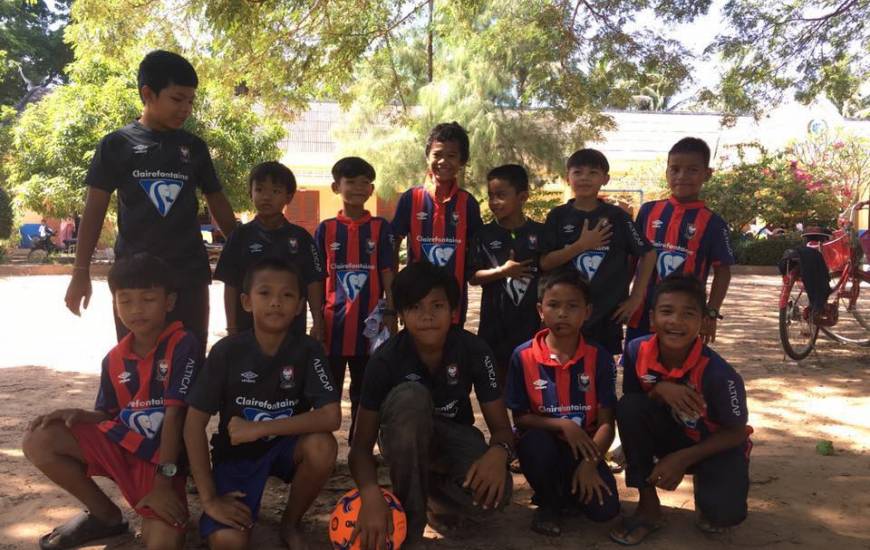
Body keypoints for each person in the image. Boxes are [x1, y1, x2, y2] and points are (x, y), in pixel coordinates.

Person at [23, 253, 202, 550]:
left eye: (148, 299)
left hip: (161, 464)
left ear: (169, 302)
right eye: (126, 300)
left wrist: (163, 484)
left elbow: (175, 418)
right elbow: (109, 415)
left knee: (162, 543)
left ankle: (160, 502)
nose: (136, 309)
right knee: (38, 439)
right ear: (115, 304)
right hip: (122, 447)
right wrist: (80, 414)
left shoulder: (184, 344)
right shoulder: (114, 358)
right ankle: (105, 516)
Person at [64, 50, 237, 354]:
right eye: (177, 99)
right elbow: (94, 209)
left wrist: (243, 247)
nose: (186, 109)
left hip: (189, 275)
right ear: (148, 94)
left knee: (189, 362)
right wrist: (80, 272)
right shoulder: (116, 145)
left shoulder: (194, 148)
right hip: (135, 280)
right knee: (137, 366)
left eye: (191, 101)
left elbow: (217, 199)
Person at [349, 262, 514, 547]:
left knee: (495, 495)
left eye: (437, 305)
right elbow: (360, 448)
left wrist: (499, 453)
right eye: (415, 307)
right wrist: (370, 494)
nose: (427, 316)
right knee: (412, 396)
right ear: (400, 315)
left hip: (454, 437)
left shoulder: (474, 350)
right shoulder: (385, 360)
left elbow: (502, 429)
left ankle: (431, 495)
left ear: (453, 311)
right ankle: (412, 525)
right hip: (403, 436)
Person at [184, 258, 340, 549]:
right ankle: (227, 504)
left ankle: (291, 523)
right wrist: (209, 500)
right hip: (237, 459)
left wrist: (260, 428)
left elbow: (332, 417)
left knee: (322, 446)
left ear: (299, 305)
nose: (276, 303)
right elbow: (193, 423)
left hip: (285, 450)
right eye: (265, 293)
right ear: (246, 301)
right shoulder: (227, 352)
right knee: (228, 542)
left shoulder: (309, 350)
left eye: (287, 295)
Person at [611, 274, 752, 545]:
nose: (675, 321)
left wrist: (682, 459)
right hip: (672, 434)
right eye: (667, 312)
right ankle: (648, 506)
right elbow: (634, 404)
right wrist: (660, 389)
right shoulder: (635, 350)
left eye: (688, 314)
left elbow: (736, 433)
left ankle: (709, 483)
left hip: (713, 446)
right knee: (629, 407)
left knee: (722, 517)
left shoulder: (720, 374)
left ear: (702, 322)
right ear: (652, 319)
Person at [505, 269, 620, 537]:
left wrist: (590, 464)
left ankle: (571, 489)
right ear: (540, 310)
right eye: (554, 305)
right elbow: (520, 418)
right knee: (534, 442)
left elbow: (606, 423)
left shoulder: (599, 357)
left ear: (588, 311)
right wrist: (563, 424)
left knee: (606, 512)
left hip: (584, 450)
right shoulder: (522, 356)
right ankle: (548, 503)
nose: (562, 313)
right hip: (542, 446)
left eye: (572, 306)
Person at [539, 148, 656, 356]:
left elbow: (648, 253)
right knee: (562, 370)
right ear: (568, 178)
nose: (585, 178)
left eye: (593, 173)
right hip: (565, 314)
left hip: (607, 315)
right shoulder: (557, 216)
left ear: (606, 179)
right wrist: (581, 246)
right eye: (578, 172)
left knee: (601, 376)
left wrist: (636, 297)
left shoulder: (618, 217)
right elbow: (545, 263)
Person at [314, 157, 396, 441]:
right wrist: (316, 320)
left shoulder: (380, 228)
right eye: (351, 182)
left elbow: (388, 272)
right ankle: (324, 449)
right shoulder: (325, 229)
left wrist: (391, 310)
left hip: (369, 328)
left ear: (372, 190)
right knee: (328, 391)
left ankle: (359, 446)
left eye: (365, 183)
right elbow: (316, 277)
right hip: (333, 325)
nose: (359, 188)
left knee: (365, 390)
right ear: (336, 186)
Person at [627, 137, 735, 346]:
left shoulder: (714, 223)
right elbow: (632, 259)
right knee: (636, 371)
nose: (682, 176)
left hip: (684, 319)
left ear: (707, 174)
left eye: (692, 170)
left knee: (678, 375)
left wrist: (711, 313)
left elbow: (723, 272)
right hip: (641, 314)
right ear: (666, 172)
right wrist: (626, 298)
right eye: (675, 169)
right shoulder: (648, 211)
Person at [214, 161, 326, 342]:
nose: (266, 197)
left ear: (288, 197)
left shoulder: (301, 238)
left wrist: (318, 321)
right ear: (250, 194)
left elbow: (313, 281)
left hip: (291, 332)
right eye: (259, 190)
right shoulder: (239, 236)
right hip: (247, 331)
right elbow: (230, 284)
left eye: (275, 191)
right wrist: (231, 328)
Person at [390, 122, 483, 326]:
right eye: (437, 154)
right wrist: (394, 293)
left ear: (462, 160)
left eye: (451, 156)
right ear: (427, 156)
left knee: (451, 354)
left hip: (453, 304)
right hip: (414, 299)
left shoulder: (468, 203)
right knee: (414, 355)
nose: (443, 161)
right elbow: (393, 244)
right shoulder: (410, 199)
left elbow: (476, 251)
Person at [469, 164, 544, 384]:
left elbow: (550, 273)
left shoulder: (541, 232)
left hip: (531, 326)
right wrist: (502, 271)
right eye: (491, 196)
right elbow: (473, 277)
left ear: (522, 197)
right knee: (496, 385)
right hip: (494, 327)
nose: (494, 202)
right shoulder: (482, 234)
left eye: (501, 195)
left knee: (532, 385)